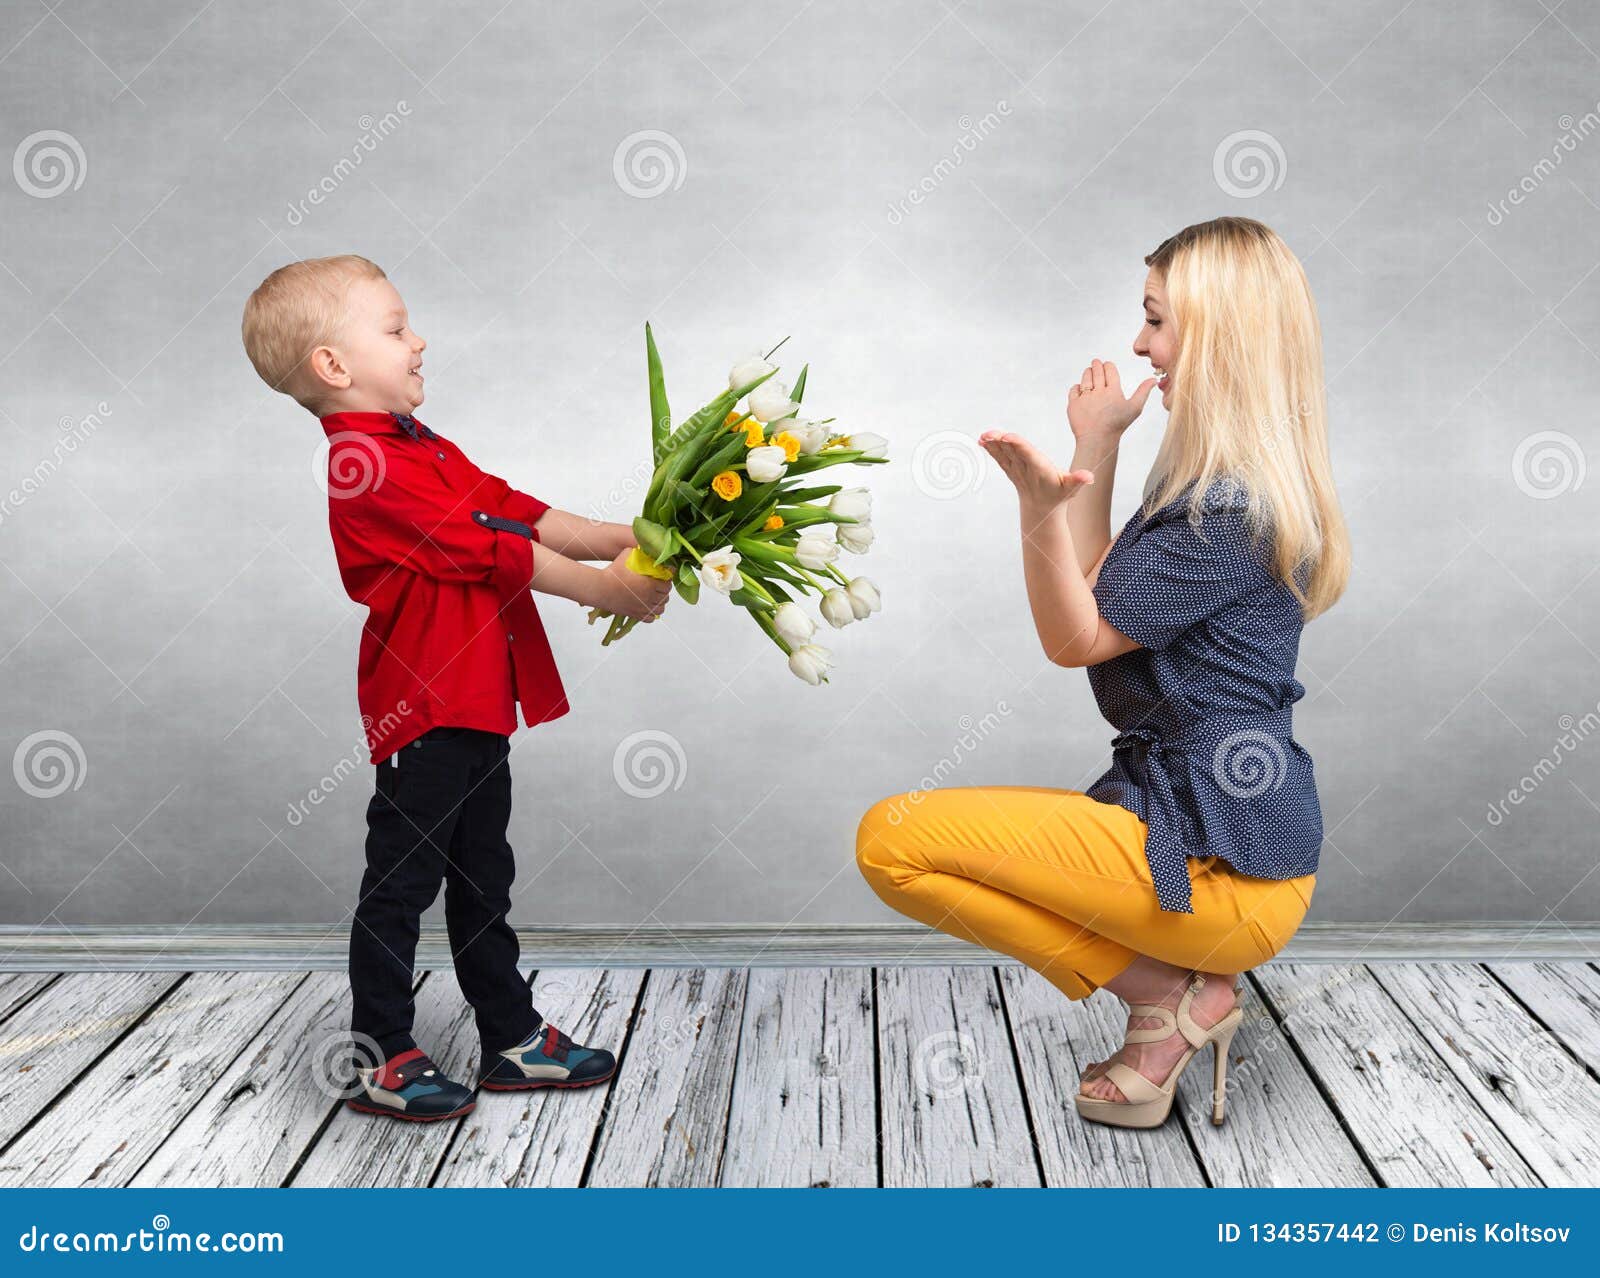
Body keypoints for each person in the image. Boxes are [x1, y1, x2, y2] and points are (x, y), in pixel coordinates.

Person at [856, 217, 1350, 1130]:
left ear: (1220, 337)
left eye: (1157, 320)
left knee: (893, 842)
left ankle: (1176, 995)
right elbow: (1102, 597)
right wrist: (1095, 450)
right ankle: (1186, 992)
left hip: (1224, 869)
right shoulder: (1229, 489)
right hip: (1227, 845)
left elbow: (1074, 636)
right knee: (926, 846)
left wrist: (1036, 512)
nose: (1137, 342)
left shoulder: (1227, 513)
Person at [241, 255, 670, 1121]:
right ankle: (380, 1055)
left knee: (484, 877)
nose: (419, 339)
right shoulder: (365, 466)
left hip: (475, 704)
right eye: (396, 329)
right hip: (424, 710)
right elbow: (491, 547)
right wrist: (609, 588)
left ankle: (509, 1038)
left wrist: (630, 534)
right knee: (400, 884)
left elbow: (510, 507)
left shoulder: (420, 447)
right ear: (334, 366)